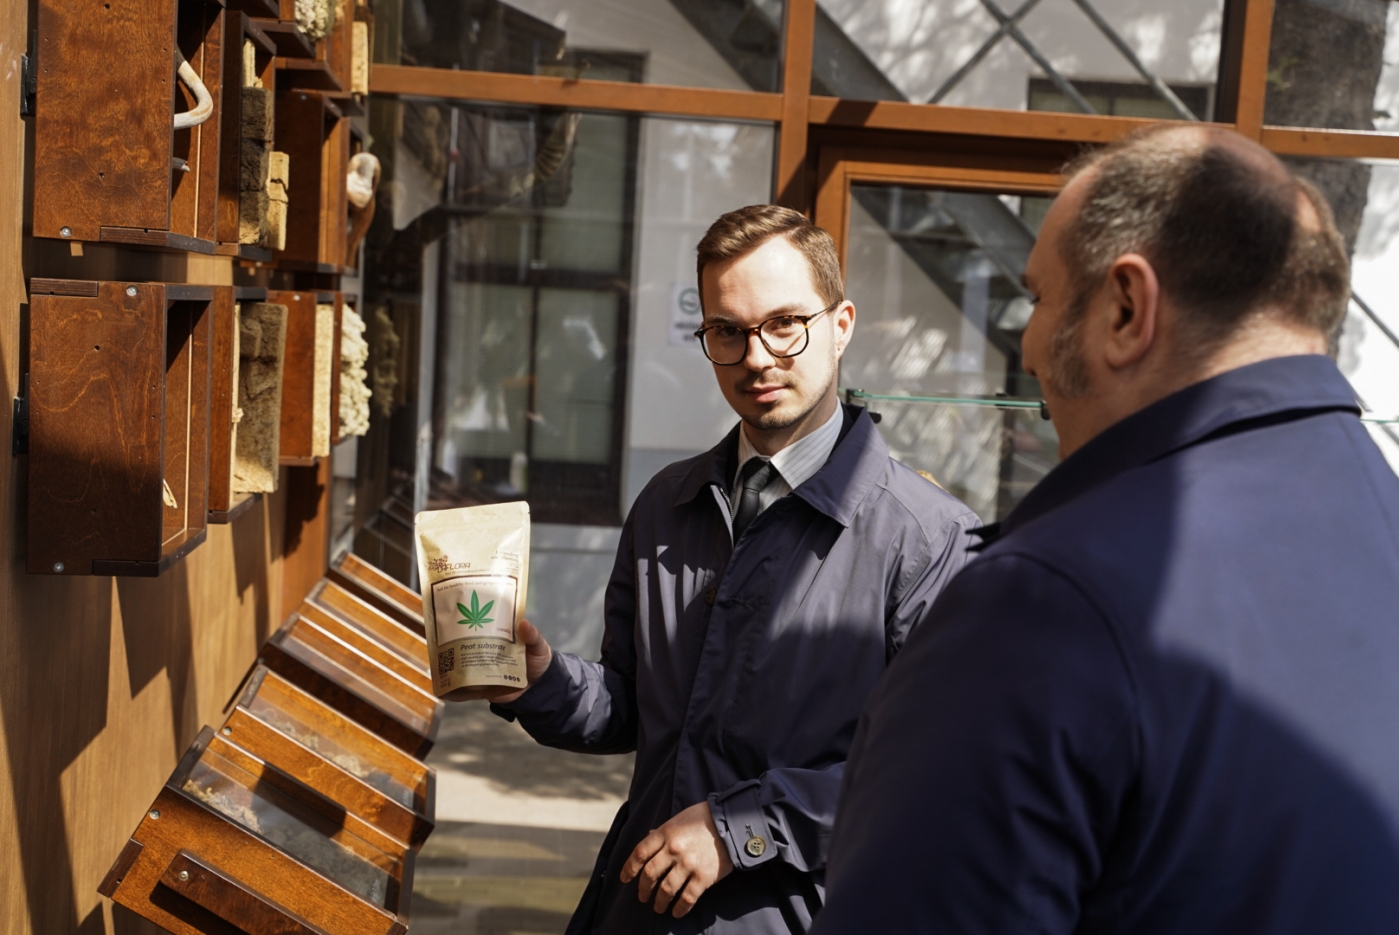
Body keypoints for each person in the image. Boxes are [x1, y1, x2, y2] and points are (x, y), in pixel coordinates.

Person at [810, 125, 1399, 934]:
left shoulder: (1044, 603)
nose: (1026, 346)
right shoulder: (1378, 518)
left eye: (1039, 298)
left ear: (1125, 308)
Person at [473, 205, 978, 934]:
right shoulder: (667, 503)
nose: (756, 356)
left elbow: (938, 774)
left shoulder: (929, 540)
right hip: (636, 908)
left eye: (785, 324)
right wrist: (540, 680)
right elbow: (632, 709)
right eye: (728, 331)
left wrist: (740, 828)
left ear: (840, 326)